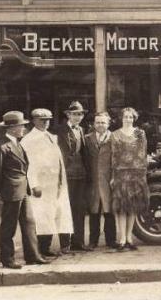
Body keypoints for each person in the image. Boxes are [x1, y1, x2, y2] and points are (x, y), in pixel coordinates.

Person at [0, 111, 50, 269]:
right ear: (11, 128)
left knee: (29, 222)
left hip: (23, 189)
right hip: (11, 191)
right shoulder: (2, 147)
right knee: (8, 226)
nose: (24, 128)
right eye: (21, 126)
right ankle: (7, 259)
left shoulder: (17, 143)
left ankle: (33, 256)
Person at [22, 108, 73, 257]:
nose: (45, 123)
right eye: (41, 120)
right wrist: (34, 184)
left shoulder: (50, 136)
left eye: (48, 120)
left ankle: (47, 246)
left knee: (53, 214)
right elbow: (28, 164)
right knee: (41, 216)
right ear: (33, 121)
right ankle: (42, 248)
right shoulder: (29, 140)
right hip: (41, 185)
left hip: (54, 184)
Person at [110, 107, 149, 251]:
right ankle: (121, 239)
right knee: (120, 208)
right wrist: (113, 176)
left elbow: (143, 154)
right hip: (120, 174)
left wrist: (143, 174)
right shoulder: (114, 135)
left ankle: (129, 238)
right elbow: (113, 156)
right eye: (126, 117)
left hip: (136, 174)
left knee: (132, 207)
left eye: (131, 117)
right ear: (121, 118)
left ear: (134, 118)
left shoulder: (140, 133)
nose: (128, 119)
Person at [56, 101, 92, 252]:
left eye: (80, 114)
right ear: (68, 115)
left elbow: (84, 153)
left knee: (79, 209)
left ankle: (78, 242)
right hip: (66, 175)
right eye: (75, 114)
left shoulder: (82, 130)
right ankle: (65, 244)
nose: (78, 117)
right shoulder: (59, 130)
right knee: (65, 208)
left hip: (80, 175)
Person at [84, 112, 116, 249]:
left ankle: (111, 240)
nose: (100, 125)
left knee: (109, 212)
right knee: (94, 212)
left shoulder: (114, 138)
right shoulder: (87, 138)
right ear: (93, 124)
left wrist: (114, 177)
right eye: (98, 122)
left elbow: (116, 159)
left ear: (108, 124)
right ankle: (93, 241)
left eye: (103, 122)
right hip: (93, 181)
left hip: (108, 180)